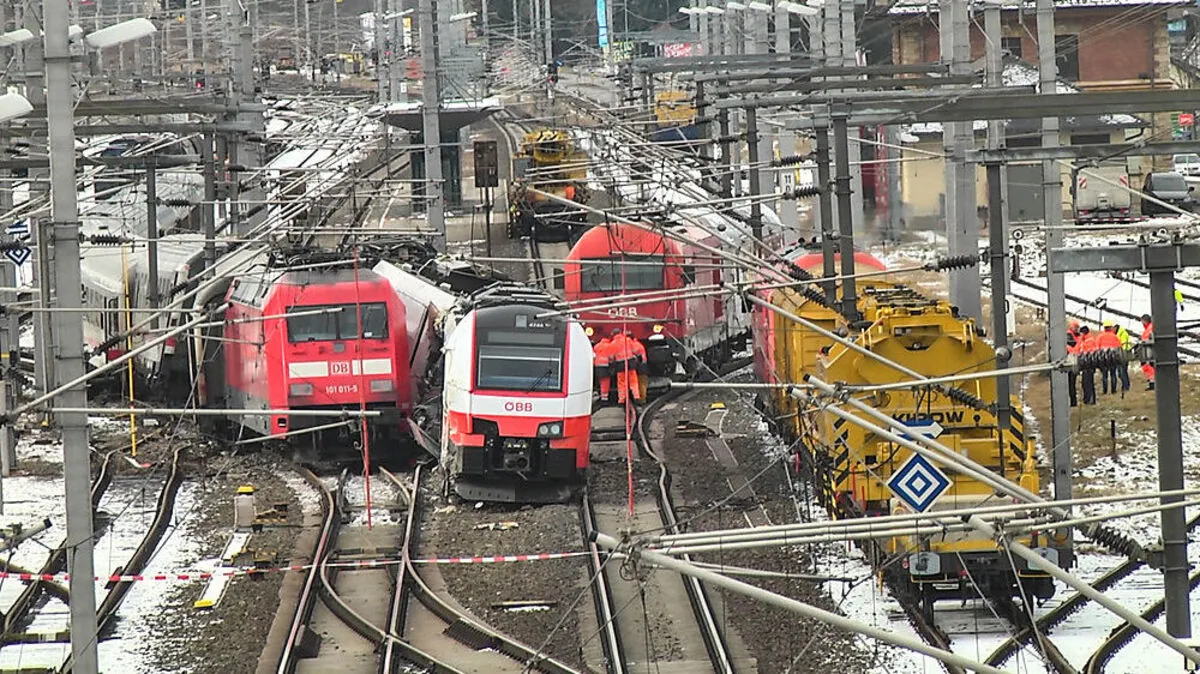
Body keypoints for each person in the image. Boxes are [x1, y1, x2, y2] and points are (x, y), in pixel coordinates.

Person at [609, 329, 640, 405]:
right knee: (633, 381)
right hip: (630, 362)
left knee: (621, 383)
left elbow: (611, 357)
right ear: (620, 333)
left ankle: (621, 400)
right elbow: (635, 350)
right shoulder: (628, 340)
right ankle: (636, 397)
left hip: (620, 364)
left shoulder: (613, 343)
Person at [1097, 320, 1122, 395]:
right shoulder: (1115, 337)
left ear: (1104, 328)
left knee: (1104, 375)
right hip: (1113, 358)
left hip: (1103, 358)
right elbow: (1119, 347)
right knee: (1113, 374)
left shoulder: (1100, 337)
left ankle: (1105, 391)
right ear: (1111, 328)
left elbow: (1097, 348)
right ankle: (1113, 390)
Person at [1077, 325, 1098, 404]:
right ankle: (1088, 399)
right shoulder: (1085, 340)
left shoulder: (1089, 341)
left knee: (1088, 383)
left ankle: (1090, 400)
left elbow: (1088, 354)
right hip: (1086, 365)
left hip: (1088, 365)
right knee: (1086, 383)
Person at [626, 330, 648, 403]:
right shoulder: (638, 344)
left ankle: (641, 399)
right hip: (642, 365)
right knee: (642, 382)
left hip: (639, 365)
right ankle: (642, 398)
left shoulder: (632, 345)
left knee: (639, 383)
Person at [593, 335, 612, 404]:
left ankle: (598, 393)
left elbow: (593, 355)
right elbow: (611, 356)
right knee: (605, 382)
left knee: (599, 381)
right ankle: (604, 398)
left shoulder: (596, 346)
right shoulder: (609, 346)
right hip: (606, 366)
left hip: (597, 365)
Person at [1140, 314, 1156, 390]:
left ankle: (1152, 382)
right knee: (1148, 367)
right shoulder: (1148, 328)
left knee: (1149, 367)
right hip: (1146, 351)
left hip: (1148, 351)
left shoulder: (1150, 328)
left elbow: (1148, 338)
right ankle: (1151, 381)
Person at [1066, 325, 1080, 407]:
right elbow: (1074, 347)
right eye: (1076, 328)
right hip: (1071, 364)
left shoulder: (1074, 335)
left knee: (1071, 385)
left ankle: (1073, 402)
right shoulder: (1070, 337)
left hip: (1072, 363)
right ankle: (1073, 402)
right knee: (1071, 385)